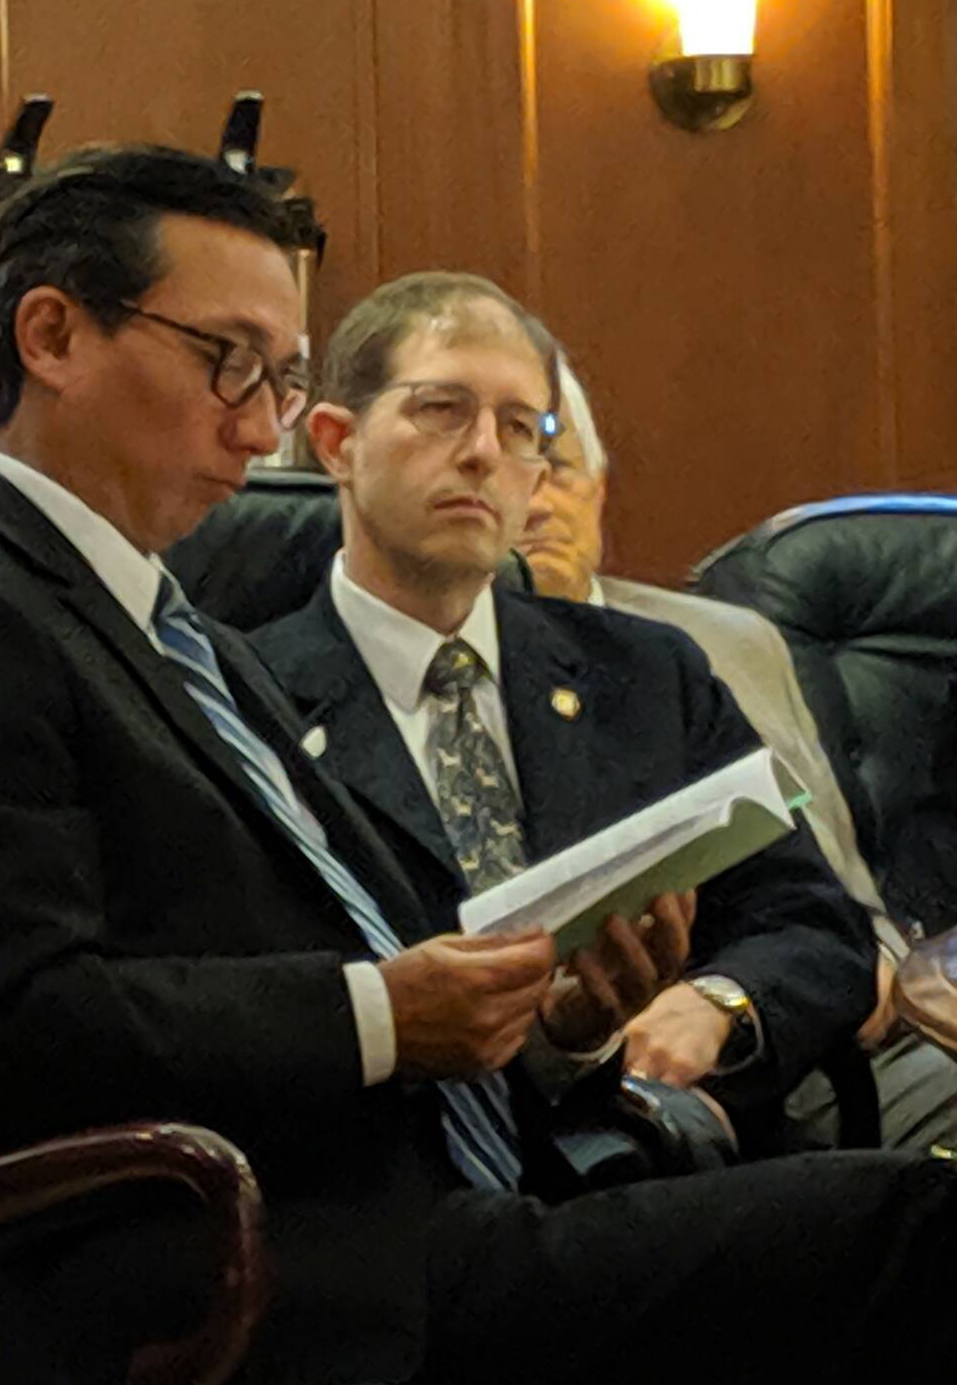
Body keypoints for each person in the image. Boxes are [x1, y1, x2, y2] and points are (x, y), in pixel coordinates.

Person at [0, 146, 957, 1385]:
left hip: (462, 1179)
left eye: (278, 377)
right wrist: (385, 1017)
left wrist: (549, 1022)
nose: (255, 423)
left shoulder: (174, 631)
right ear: (51, 334)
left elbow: (360, 933)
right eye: (225, 359)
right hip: (275, 1267)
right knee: (937, 1229)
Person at [251, 271, 872, 1134]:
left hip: (656, 1146)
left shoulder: (647, 672)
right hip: (415, 1188)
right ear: (335, 442)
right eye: (441, 410)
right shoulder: (249, 702)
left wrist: (720, 1002)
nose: (484, 454)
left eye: (519, 428)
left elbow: (813, 918)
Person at [517, 358, 957, 1151]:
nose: (534, 500)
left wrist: (868, 966)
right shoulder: (463, 676)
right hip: (620, 1081)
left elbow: (834, 887)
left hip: (819, 1022)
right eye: (512, 468)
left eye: (556, 464)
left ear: (599, 486)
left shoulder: (727, 641)